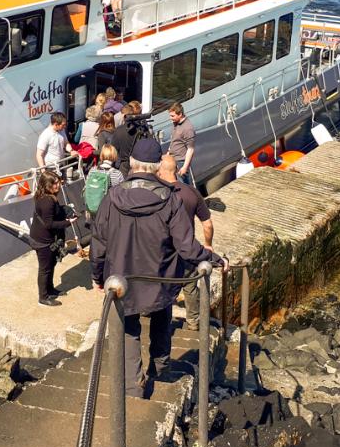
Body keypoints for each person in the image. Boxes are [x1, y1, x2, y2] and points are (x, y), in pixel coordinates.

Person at [90, 137, 222, 397]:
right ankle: (160, 368)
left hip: (121, 278)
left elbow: (99, 243)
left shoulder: (112, 198)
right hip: (160, 277)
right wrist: (214, 258)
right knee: (162, 318)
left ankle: (132, 387)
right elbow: (186, 246)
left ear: (133, 165)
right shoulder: (170, 200)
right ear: (155, 167)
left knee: (128, 330)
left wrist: (97, 276)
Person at [158, 154, 214, 329]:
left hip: (164, 248)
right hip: (187, 246)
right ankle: (193, 321)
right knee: (190, 286)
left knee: (163, 283)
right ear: (175, 170)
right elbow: (208, 224)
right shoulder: (191, 192)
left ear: (160, 171)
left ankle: (159, 319)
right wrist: (208, 244)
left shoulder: (158, 194)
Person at [29, 169, 78, 307]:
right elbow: (49, 224)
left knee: (51, 265)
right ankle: (43, 297)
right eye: (55, 183)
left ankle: (50, 289)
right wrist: (68, 222)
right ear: (47, 185)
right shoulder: (47, 201)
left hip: (44, 238)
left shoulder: (47, 196)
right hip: (42, 241)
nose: (58, 184)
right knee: (45, 268)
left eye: (58, 181)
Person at [167, 102, 196, 186]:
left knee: (184, 186)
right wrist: (168, 153)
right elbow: (174, 140)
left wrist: (185, 167)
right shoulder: (176, 123)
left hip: (181, 162)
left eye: (172, 116)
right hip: (173, 159)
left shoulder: (188, 128)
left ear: (180, 114)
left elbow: (190, 149)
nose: (170, 118)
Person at [113, 101, 141, 176]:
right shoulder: (140, 129)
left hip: (123, 164)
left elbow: (114, 149)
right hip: (137, 164)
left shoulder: (118, 130)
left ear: (124, 116)